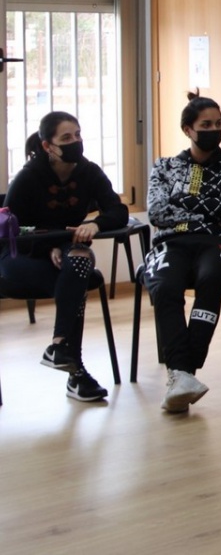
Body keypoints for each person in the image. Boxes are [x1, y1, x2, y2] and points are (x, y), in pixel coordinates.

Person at [0, 111, 127, 402]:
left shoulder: (88, 171)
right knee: (77, 278)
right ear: (48, 146)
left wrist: (95, 224)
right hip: (21, 256)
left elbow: (116, 210)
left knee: (79, 265)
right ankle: (76, 372)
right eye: (67, 138)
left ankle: (60, 347)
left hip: (64, 253)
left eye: (78, 135)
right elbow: (10, 229)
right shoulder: (29, 177)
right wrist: (50, 245)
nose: (76, 142)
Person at [143, 91, 221, 413]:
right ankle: (182, 374)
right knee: (165, 286)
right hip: (171, 242)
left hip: (215, 242)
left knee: (212, 279)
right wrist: (206, 210)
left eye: (218, 124)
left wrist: (183, 200)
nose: (214, 129)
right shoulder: (164, 166)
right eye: (206, 124)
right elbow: (157, 212)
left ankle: (184, 372)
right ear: (188, 129)